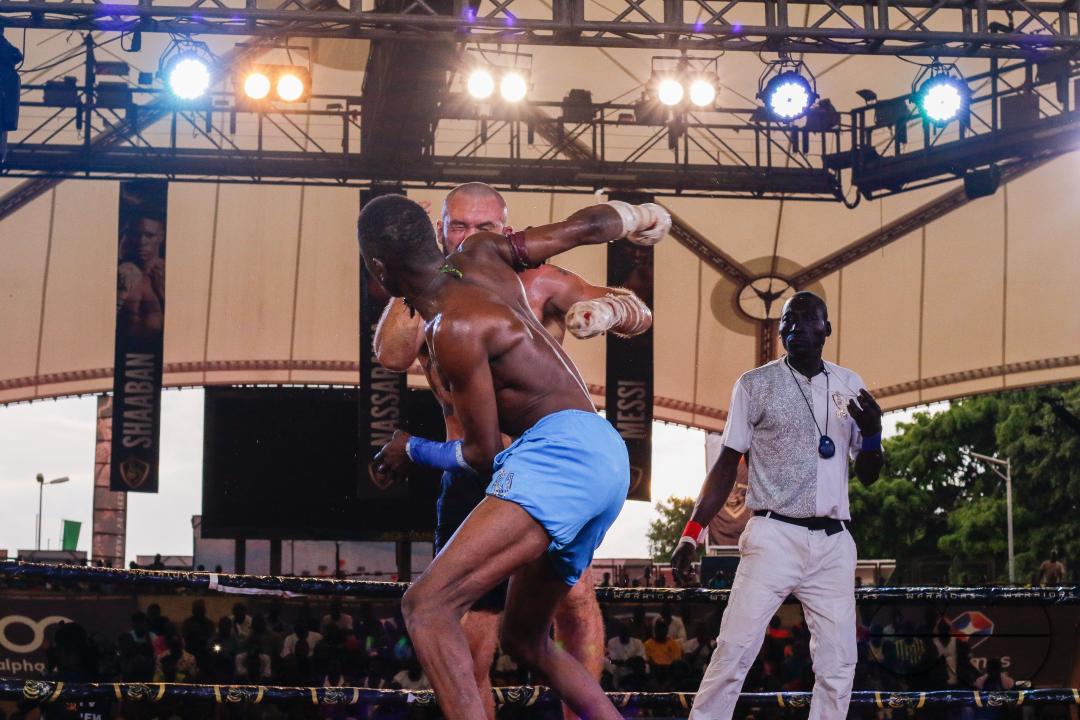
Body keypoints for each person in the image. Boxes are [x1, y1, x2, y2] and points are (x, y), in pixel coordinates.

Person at [359, 193, 669, 720]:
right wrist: (638, 216)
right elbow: (580, 227)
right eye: (456, 224)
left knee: (426, 606)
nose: (469, 230)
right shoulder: (484, 253)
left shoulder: (452, 329)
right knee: (525, 639)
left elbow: (481, 456)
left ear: (380, 271)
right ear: (439, 233)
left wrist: (412, 448)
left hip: (548, 461)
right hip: (596, 452)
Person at [671, 291, 884, 720]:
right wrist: (691, 533)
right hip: (773, 534)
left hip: (833, 542)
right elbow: (726, 464)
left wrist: (874, 434)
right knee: (734, 649)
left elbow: (869, 474)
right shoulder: (755, 384)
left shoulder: (849, 384)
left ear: (826, 328)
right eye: (786, 322)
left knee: (839, 664)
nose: (792, 328)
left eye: (805, 320)